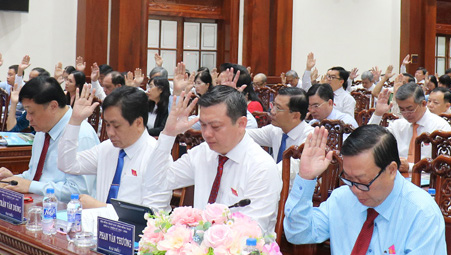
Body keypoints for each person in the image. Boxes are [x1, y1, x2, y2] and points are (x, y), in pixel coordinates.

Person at [284, 126, 448, 255]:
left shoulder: (422, 212)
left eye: (363, 182)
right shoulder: (342, 198)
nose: (355, 190)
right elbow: (297, 233)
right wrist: (306, 178)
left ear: (392, 170)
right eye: (348, 179)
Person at [144, 86, 282, 233]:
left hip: (238, 246)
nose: (207, 134)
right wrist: (168, 134)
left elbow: (253, 233)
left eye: (216, 127)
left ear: (241, 124)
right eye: (203, 125)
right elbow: (156, 183)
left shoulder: (261, 167)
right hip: (196, 244)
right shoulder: (204, 152)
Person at [57, 84, 170, 212]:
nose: (110, 132)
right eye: (107, 124)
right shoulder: (107, 148)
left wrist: (100, 208)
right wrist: (75, 121)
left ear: (138, 123)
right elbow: (67, 165)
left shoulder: (157, 156)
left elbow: (153, 214)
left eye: (116, 126)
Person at [0, 77, 97, 200]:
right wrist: (14, 179)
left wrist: (30, 185)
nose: (28, 118)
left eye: (31, 112)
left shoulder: (81, 134)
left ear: (53, 106)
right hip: (39, 204)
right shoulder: (42, 129)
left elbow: (79, 192)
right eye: (26, 112)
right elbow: (35, 176)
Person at [368, 82, 451, 171]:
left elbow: (445, 164)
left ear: (423, 103)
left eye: (410, 109)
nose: (406, 114)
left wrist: (411, 167)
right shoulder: (398, 125)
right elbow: (369, 140)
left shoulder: (441, 127)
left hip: (428, 176)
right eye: (402, 109)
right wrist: (378, 114)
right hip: (396, 176)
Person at [246, 87, 313, 163]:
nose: (272, 111)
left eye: (278, 108)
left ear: (295, 116)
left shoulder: (310, 138)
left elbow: (290, 168)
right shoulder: (277, 129)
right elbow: (244, 134)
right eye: (273, 105)